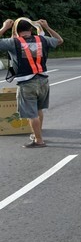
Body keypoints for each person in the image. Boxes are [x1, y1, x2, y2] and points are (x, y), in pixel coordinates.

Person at [0, 18, 63, 148]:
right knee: (39, 110)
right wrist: (47, 27)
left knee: (31, 114)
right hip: (43, 81)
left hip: (27, 83)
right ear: (30, 29)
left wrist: (4, 27)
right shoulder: (42, 39)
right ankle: (36, 135)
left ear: (16, 31)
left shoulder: (13, 42)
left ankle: (38, 140)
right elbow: (60, 40)